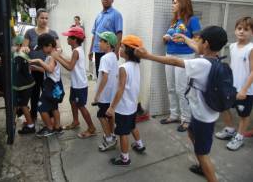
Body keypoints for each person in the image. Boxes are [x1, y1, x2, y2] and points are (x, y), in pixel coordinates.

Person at [135, 26, 228, 182]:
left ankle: (208, 172)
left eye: (198, 40)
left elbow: (174, 61)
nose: (195, 42)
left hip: (203, 118)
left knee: (203, 154)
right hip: (201, 114)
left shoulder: (202, 64)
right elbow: (196, 46)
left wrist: (148, 56)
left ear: (205, 44)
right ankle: (201, 164)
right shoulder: (214, 59)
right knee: (191, 134)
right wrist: (185, 39)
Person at [161, 0, 201, 132]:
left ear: (183, 4)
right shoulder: (174, 21)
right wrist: (166, 38)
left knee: (181, 89)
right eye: (173, 2)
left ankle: (186, 119)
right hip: (169, 54)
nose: (173, 5)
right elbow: (170, 36)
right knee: (171, 87)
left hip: (184, 57)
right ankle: (174, 115)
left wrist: (184, 39)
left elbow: (197, 41)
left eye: (175, 2)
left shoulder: (192, 20)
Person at [106, 35, 146, 166]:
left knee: (123, 133)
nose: (119, 49)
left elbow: (120, 89)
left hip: (123, 108)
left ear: (129, 51)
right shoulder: (135, 65)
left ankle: (125, 158)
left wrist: (112, 107)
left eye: (122, 47)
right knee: (132, 126)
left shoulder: (123, 67)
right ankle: (139, 145)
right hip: (132, 105)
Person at [215, 17, 253, 151]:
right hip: (231, 86)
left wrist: (244, 89)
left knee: (244, 115)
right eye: (239, 28)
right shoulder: (232, 46)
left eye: (246, 29)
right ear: (235, 30)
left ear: (252, 32)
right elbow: (233, 65)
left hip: (246, 90)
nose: (242, 31)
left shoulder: (251, 48)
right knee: (224, 107)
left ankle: (240, 136)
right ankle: (230, 129)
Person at [52, 27, 96, 138]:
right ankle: (75, 121)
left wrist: (57, 58)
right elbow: (71, 63)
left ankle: (92, 128)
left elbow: (70, 67)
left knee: (81, 106)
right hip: (76, 83)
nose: (67, 39)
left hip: (80, 85)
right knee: (72, 101)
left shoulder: (76, 51)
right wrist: (60, 57)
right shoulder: (76, 50)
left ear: (75, 39)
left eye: (69, 37)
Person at [22, 8, 62, 121]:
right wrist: (24, 48)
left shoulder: (53, 33)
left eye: (46, 18)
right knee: (34, 94)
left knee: (49, 94)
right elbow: (24, 48)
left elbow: (59, 48)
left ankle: (51, 117)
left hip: (48, 71)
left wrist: (56, 52)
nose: (44, 20)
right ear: (37, 19)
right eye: (42, 18)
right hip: (34, 70)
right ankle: (33, 115)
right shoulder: (29, 33)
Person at [29, 34, 64, 137]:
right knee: (54, 107)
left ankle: (49, 128)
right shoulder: (52, 55)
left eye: (43, 47)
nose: (42, 51)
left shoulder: (52, 56)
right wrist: (35, 68)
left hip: (51, 87)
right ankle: (57, 127)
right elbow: (48, 70)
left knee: (41, 107)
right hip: (55, 86)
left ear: (49, 45)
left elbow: (50, 69)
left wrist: (39, 61)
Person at [93, 32, 118, 152]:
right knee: (109, 115)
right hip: (112, 94)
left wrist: (97, 94)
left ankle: (109, 140)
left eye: (101, 41)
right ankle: (112, 133)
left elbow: (105, 77)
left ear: (108, 44)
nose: (99, 43)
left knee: (101, 115)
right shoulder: (113, 56)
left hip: (104, 95)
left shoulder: (104, 58)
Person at [89, 0, 123, 77]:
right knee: (99, 75)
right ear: (101, 0)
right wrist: (91, 50)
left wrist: (116, 51)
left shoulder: (116, 14)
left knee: (108, 77)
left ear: (112, 0)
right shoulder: (98, 16)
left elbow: (119, 34)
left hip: (108, 52)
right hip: (97, 51)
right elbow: (94, 35)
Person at [12, 35, 35, 134]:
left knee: (23, 105)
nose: (12, 47)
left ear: (18, 45)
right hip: (28, 83)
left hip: (23, 85)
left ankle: (30, 126)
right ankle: (14, 122)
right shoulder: (22, 54)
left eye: (14, 45)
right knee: (19, 105)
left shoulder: (18, 56)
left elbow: (16, 70)